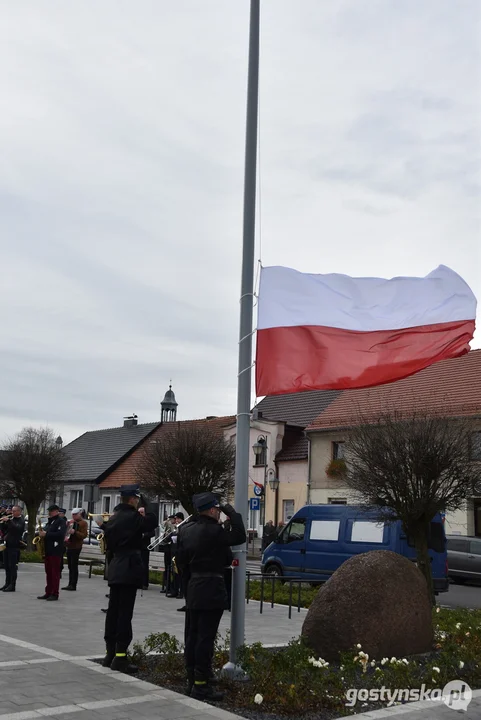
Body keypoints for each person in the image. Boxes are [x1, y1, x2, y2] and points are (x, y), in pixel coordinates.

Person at [176, 492, 246, 701]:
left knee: (192, 636)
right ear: (214, 510)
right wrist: (232, 512)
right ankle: (201, 687)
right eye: (218, 509)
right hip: (211, 588)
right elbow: (240, 535)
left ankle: (192, 681)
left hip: (194, 587)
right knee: (205, 639)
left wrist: (188, 587)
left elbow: (181, 563)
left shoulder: (186, 531)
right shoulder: (215, 531)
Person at [102, 484, 157, 673]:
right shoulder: (133, 517)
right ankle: (120, 657)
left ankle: (109, 654)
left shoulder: (114, 518)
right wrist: (147, 503)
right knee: (125, 614)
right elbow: (152, 521)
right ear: (133, 499)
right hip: (129, 568)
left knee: (113, 612)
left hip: (116, 566)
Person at [37, 505, 67, 601]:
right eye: (50, 511)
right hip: (48, 549)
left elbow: (61, 534)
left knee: (55, 573)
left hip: (56, 549)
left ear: (57, 511)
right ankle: (48, 592)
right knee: (48, 572)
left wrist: (47, 534)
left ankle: (55, 593)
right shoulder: (50, 522)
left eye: (52, 511)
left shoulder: (61, 521)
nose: (50, 513)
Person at [1, 505, 25, 592]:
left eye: (14, 511)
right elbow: (5, 530)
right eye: (12, 511)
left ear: (19, 511)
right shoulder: (12, 519)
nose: (12, 512)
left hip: (14, 546)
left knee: (12, 566)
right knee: (6, 566)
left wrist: (9, 521)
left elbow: (16, 529)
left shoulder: (21, 521)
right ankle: (7, 583)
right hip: (6, 545)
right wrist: (4, 523)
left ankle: (12, 585)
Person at [62, 508, 88, 591]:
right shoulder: (71, 522)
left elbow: (84, 535)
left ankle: (73, 584)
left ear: (79, 514)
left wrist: (75, 532)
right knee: (70, 566)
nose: (74, 516)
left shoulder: (83, 523)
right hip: (69, 545)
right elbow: (66, 532)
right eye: (73, 515)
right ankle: (70, 583)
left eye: (75, 515)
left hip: (76, 546)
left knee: (74, 565)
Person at [166, 512, 184, 599]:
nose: (176, 520)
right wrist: (167, 534)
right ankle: (174, 591)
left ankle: (181, 592)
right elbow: (167, 540)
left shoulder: (183, 528)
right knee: (175, 573)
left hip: (180, 554)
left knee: (181, 574)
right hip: (173, 553)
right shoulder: (174, 528)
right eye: (175, 519)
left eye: (177, 519)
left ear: (181, 519)